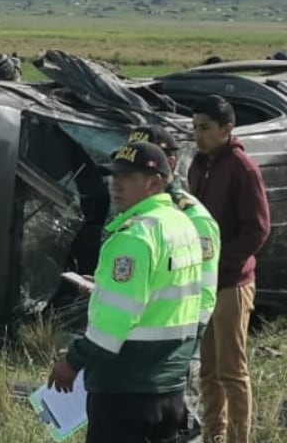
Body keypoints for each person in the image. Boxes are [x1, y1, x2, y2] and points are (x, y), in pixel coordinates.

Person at [47, 141, 203, 443]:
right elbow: (163, 295)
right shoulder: (183, 226)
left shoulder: (134, 236)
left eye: (127, 177)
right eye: (114, 176)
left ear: (154, 182)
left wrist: (73, 360)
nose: (116, 185)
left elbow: (114, 322)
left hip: (126, 388)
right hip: (170, 384)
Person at [126, 125, 220, 440]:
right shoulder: (137, 212)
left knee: (182, 427)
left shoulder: (193, 218)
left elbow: (204, 292)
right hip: (139, 347)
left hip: (176, 349)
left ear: (171, 164)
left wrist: (186, 348)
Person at [188, 94, 271, 443]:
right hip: (203, 284)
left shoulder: (243, 168)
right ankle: (214, 435)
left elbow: (258, 228)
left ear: (227, 129)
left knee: (232, 371)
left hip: (232, 283)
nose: (198, 135)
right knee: (207, 370)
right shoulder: (198, 165)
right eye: (195, 127)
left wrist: (221, 262)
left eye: (205, 128)